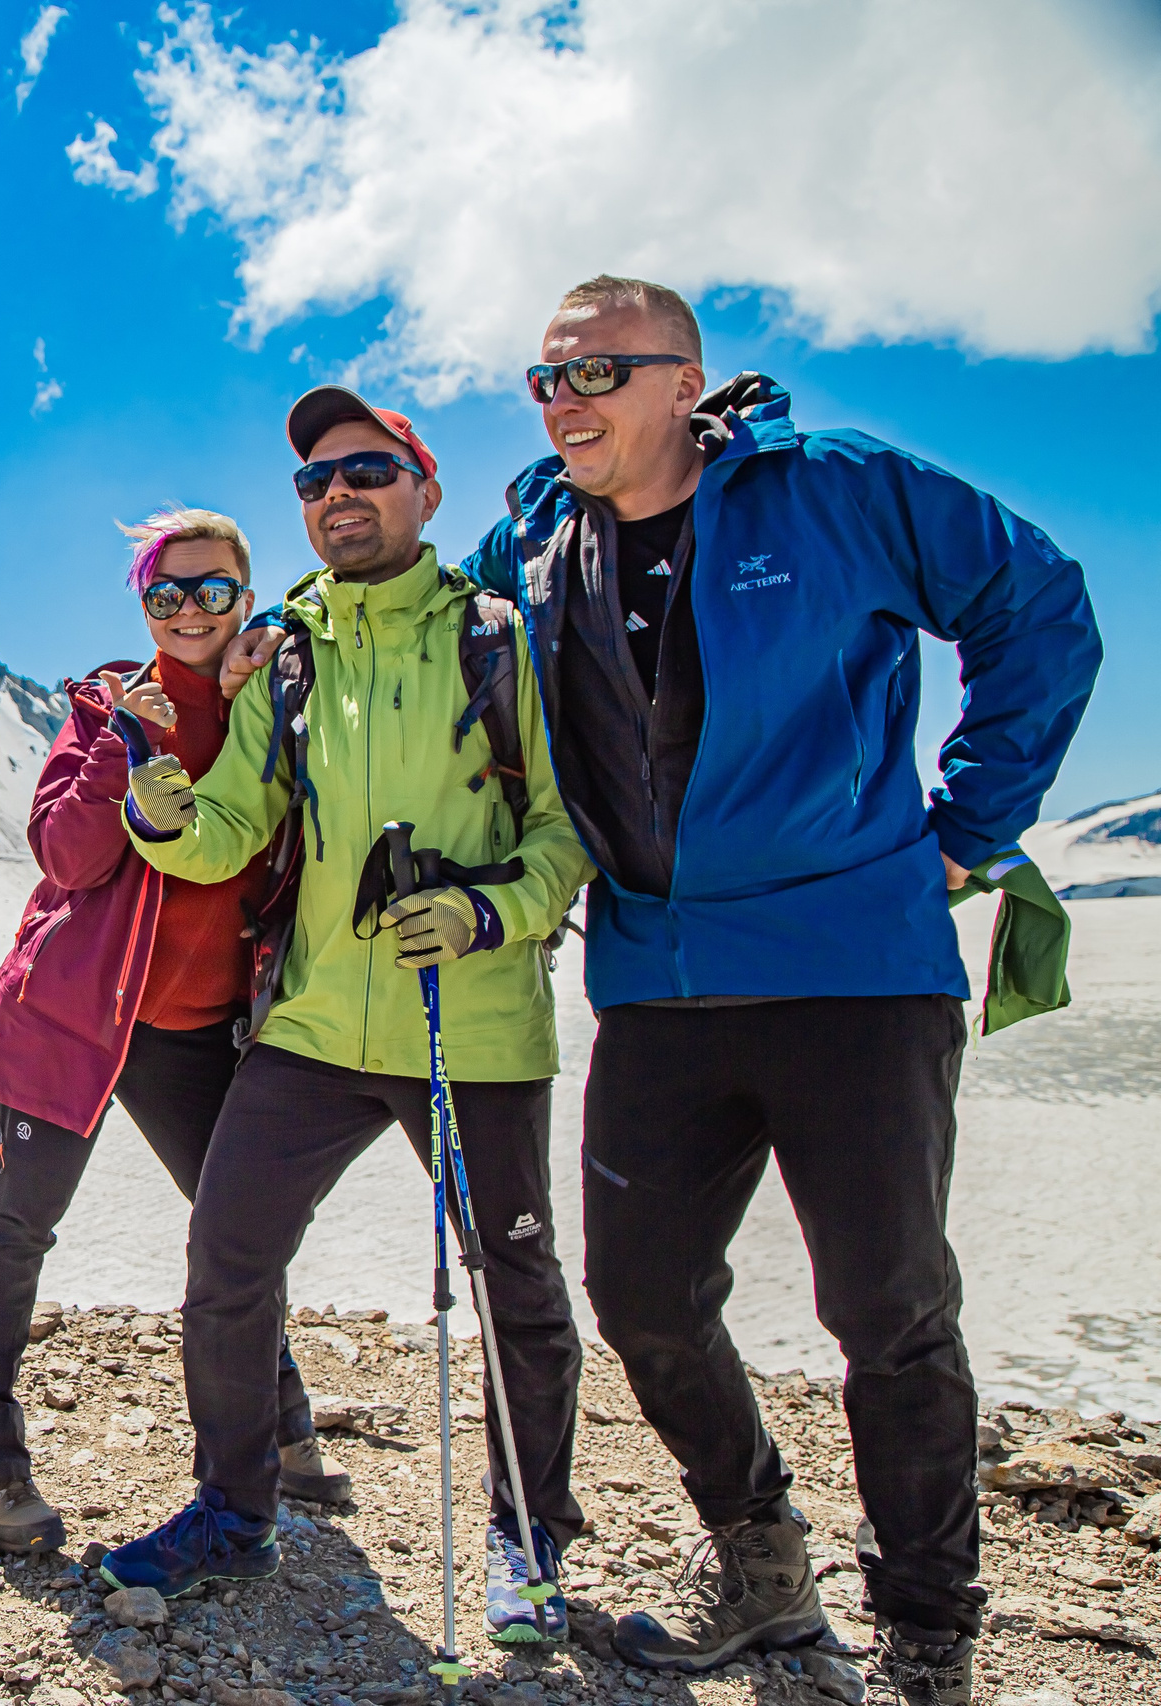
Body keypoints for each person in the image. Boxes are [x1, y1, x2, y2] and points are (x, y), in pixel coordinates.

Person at [458, 276, 1102, 1704]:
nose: (565, 400)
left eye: (598, 373)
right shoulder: (537, 544)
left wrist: (976, 825)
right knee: (642, 1293)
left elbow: (1038, 604)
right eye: (545, 379)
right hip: (661, 981)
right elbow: (432, 644)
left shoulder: (837, 489)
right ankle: (759, 1555)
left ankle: (930, 1627)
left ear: (684, 381)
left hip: (854, 972)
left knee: (885, 1305)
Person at [96, 393, 594, 1649]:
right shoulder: (294, 653)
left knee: (515, 1286)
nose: (338, 495)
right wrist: (159, 811)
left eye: (367, 471)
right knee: (227, 1256)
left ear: (424, 490)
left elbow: (565, 832)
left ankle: (526, 1540)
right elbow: (227, 835)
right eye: (316, 481)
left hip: (468, 1025)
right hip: (317, 1023)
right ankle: (234, 1505)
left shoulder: (498, 637)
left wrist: (491, 914)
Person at [0, 507, 348, 1556]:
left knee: (239, 1231)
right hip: (73, 1015)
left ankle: (281, 1428)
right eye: (164, 592)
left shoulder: (279, 701)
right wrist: (119, 746)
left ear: (245, 596)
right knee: (17, 1229)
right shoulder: (105, 702)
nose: (187, 610)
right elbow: (69, 860)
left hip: (197, 1028)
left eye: (212, 588)